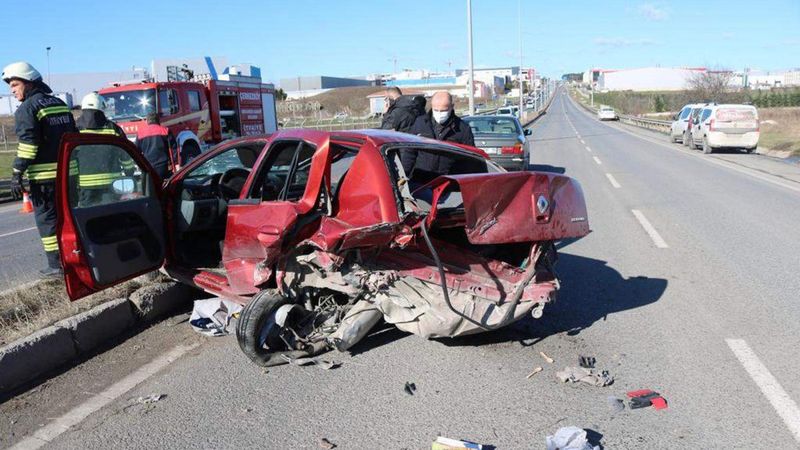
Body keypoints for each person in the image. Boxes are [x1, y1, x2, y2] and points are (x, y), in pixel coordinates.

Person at [3, 61, 77, 277]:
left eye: (15, 85)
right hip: (67, 174)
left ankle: (56, 265)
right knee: (69, 217)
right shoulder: (59, 104)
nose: (12, 90)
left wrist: (17, 173)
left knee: (47, 222)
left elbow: (28, 144)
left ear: (29, 83)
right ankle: (75, 257)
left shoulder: (28, 108)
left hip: (44, 180)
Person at [403, 91, 475, 181]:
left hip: (449, 183)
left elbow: (470, 159)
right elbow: (409, 152)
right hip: (420, 181)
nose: (440, 114)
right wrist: (404, 175)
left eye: (444, 110)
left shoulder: (462, 129)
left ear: (452, 107)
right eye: (436, 110)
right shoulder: (420, 123)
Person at [75, 92, 129, 206]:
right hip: (111, 185)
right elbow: (126, 154)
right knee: (110, 215)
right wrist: (130, 172)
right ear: (101, 108)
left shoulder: (75, 129)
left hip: (85, 186)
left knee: (88, 217)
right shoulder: (113, 129)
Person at [136, 112, 177, 179]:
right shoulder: (165, 131)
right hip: (163, 166)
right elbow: (173, 149)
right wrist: (174, 163)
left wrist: (140, 164)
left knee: (151, 186)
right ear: (158, 120)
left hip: (147, 165)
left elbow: (136, 151)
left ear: (147, 121)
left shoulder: (140, 133)